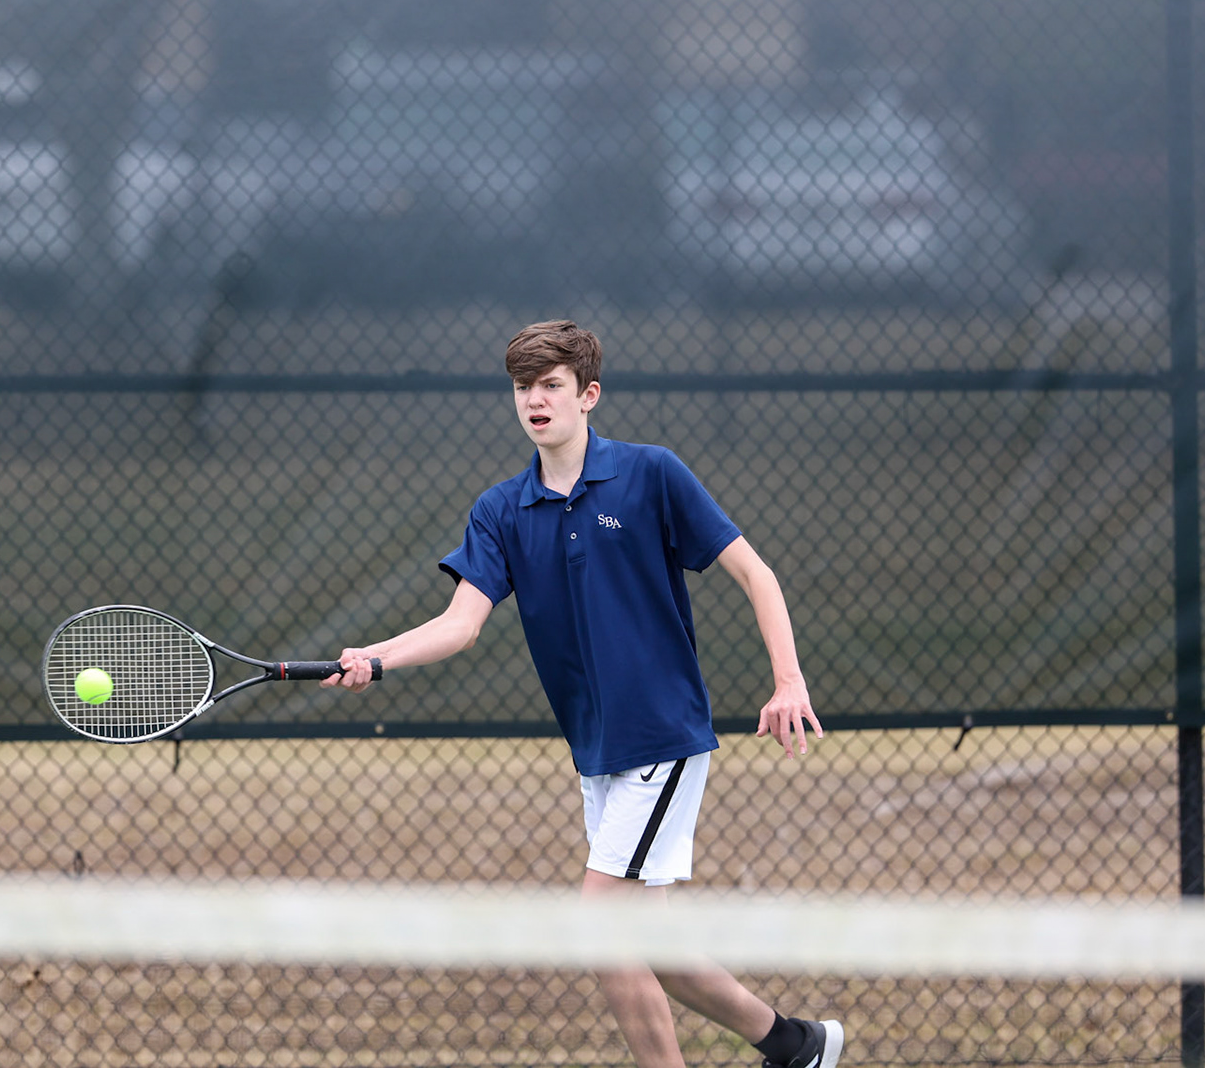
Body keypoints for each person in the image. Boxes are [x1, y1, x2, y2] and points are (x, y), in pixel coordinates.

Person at [322, 318, 842, 1068]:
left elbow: (756, 574)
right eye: (523, 388)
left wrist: (787, 679)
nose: (535, 401)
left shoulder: (651, 474)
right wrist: (376, 655)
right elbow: (461, 623)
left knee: (601, 927)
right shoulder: (502, 510)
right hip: (595, 750)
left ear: (588, 395)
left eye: (551, 386)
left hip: (661, 736)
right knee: (651, 944)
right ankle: (796, 1045)